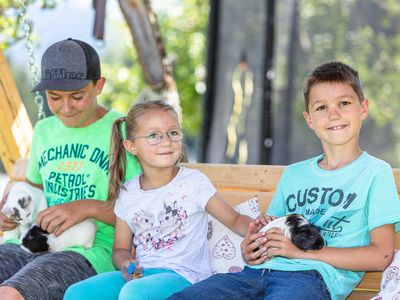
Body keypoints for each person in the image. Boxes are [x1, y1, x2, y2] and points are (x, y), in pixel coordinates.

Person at [168, 61, 400, 300]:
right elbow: (270, 237)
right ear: (309, 119)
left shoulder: (375, 173)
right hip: (254, 274)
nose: (334, 114)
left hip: (312, 278)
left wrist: (299, 253)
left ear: (363, 109)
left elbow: (380, 255)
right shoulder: (294, 174)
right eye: (321, 107)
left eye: (344, 103)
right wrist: (252, 250)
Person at [63, 100, 253, 300]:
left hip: (185, 277)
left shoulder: (193, 182)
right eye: (153, 135)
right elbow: (120, 249)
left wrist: (260, 228)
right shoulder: (128, 192)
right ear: (131, 146)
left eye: (173, 132)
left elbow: (234, 220)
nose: (166, 141)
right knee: (77, 293)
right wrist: (126, 263)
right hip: (143, 275)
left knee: (134, 292)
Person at [0, 38, 141, 300]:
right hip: (33, 241)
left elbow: (143, 209)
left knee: (10, 294)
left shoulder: (122, 132)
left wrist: (86, 207)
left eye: (77, 97)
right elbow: (34, 188)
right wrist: (10, 211)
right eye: (54, 97)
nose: (66, 108)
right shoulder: (44, 130)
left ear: (99, 85)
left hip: (91, 250)